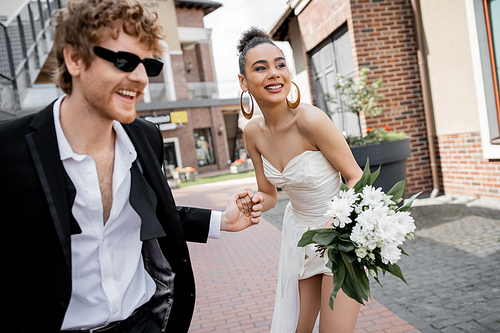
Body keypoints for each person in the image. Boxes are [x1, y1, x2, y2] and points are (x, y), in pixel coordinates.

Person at [0, 1, 263, 332]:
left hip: (144, 323)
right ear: (75, 59)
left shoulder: (145, 137)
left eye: (148, 65)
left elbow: (153, 213)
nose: (140, 78)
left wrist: (220, 221)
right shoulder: (9, 149)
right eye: (124, 61)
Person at [236, 27, 363, 332]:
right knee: (298, 329)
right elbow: (269, 194)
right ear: (243, 81)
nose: (274, 74)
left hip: (340, 239)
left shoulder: (311, 120)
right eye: (261, 68)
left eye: (280, 65)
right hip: (301, 241)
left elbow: (355, 176)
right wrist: (254, 202)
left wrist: (340, 224)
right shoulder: (252, 133)